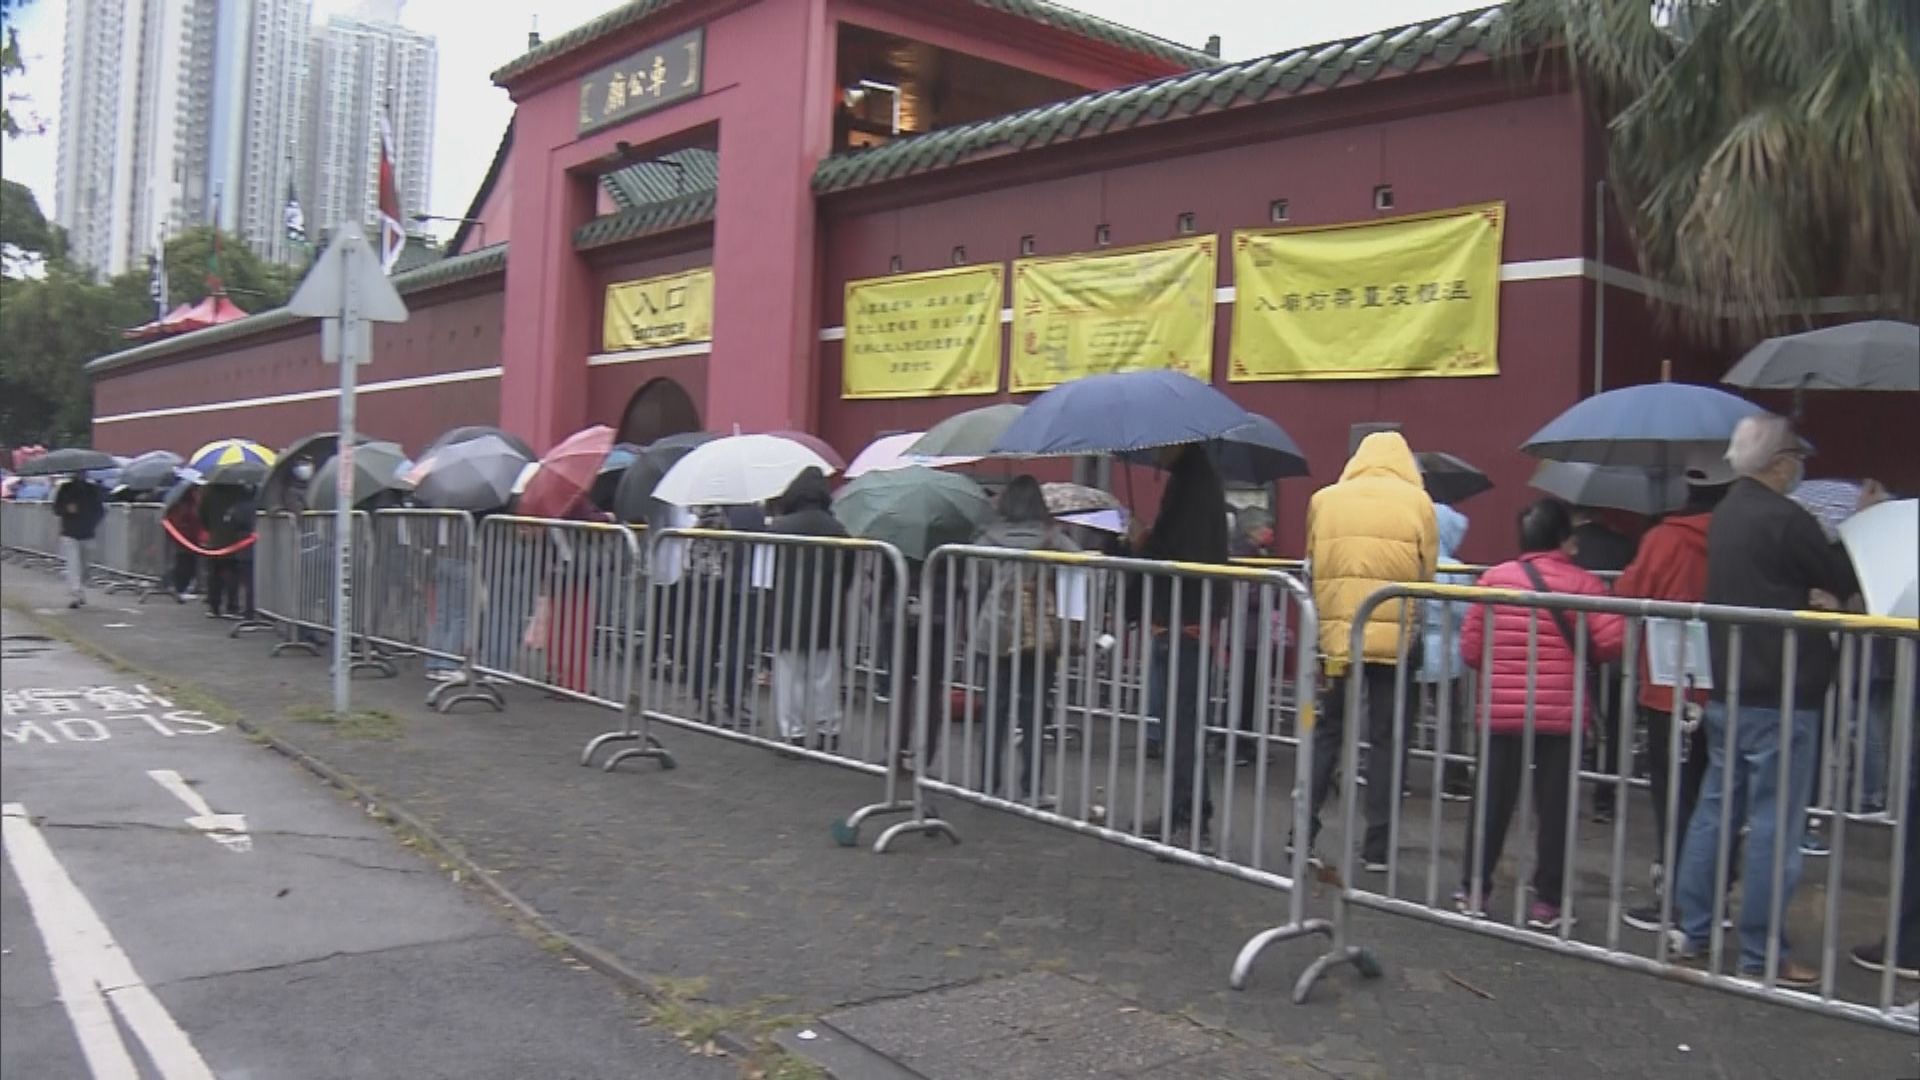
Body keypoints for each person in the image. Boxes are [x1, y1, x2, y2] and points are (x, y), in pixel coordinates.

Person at [1670, 414, 1867, 988]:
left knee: (1716, 811)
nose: (1799, 472)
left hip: (1731, 684)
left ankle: (1694, 930)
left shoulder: (1727, 513)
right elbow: (1835, 576)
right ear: (1780, 464)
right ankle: (1760, 951)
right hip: (1784, 689)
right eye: (1796, 462)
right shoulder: (1787, 518)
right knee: (1774, 825)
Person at [1455, 498, 1626, 930]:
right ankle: (1546, 902)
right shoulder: (1585, 585)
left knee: (1491, 802)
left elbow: (1472, 649)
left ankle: (1474, 889)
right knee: (1555, 809)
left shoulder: (1493, 579)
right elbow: (1610, 644)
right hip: (1561, 713)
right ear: (1563, 539)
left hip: (1501, 711)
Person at [1300, 431, 1438, 870]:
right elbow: (1427, 572)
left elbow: (1311, 562)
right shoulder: (1419, 503)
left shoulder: (1325, 499)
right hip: (1395, 641)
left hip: (1338, 640)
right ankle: (1376, 848)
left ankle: (1300, 833)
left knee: (1326, 732)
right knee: (1387, 741)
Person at [1612, 461, 1732, 930]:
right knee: (1718, 795)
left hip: (1670, 686)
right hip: (1727, 682)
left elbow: (1628, 591)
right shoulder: (1735, 539)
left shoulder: (1665, 538)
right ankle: (1714, 897)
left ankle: (1677, 900)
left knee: (1674, 798)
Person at [1133, 444, 1230, 851]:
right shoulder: (1195, 482)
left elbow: (1177, 554)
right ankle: (1185, 810)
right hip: (1180, 618)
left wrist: (1143, 541)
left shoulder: (1192, 487)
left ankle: (1189, 820)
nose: (1152, 451)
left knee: (1182, 725)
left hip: (1182, 619)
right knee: (1178, 724)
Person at [970, 476, 1079, 800]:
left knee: (994, 710)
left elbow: (974, 581)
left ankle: (988, 784)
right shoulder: (1055, 540)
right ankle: (1032, 787)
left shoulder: (986, 540)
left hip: (995, 632)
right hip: (1039, 635)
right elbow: (1079, 572)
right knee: (1034, 713)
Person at [767, 468, 851, 752]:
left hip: (787, 611)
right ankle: (829, 730)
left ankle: (793, 732)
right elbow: (848, 574)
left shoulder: (778, 527)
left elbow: (766, 574)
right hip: (827, 609)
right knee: (825, 674)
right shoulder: (837, 529)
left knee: (790, 675)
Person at [1569, 506, 1637, 824]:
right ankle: (1605, 798)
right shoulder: (1623, 544)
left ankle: (1562, 792)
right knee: (1614, 724)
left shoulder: (1568, 547)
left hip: (1570, 645)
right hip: (1613, 642)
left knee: (1568, 720)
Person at [1419, 503, 1474, 797]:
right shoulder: (1454, 568)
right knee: (1450, 717)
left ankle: (1395, 773)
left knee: (1403, 714)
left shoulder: (1412, 559)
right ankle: (1454, 777)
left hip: (1414, 648)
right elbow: (1467, 611)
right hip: (1447, 652)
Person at [53, 475, 105, 608]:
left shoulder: (93, 489)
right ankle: (76, 593)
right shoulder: (65, 489)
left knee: (84, 566)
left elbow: (100, 510)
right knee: (73, 564)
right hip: (70, 532)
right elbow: (56, 509)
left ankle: (80, 588)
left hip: (88, 533)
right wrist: (66, 509)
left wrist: (93, 522)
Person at [164, 487, 206, 599]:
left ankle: (182, 587)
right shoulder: (184, 507)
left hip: (190, 539)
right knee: (184, 563)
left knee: (188, 563)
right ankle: (180, 588)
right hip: (186, 539)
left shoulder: (190, 505)